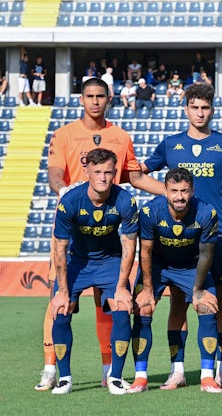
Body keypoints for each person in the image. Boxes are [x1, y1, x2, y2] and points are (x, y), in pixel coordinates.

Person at [35, 77, 164, 393]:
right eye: (89, 96)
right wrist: (62, 188)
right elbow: (54, 172)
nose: (95, 101)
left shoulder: (120, 136)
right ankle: (51, 367)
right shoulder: (64, 134)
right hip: (73, 231)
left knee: (108, 306)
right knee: (59, 302)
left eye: (100, 96)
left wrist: (172, 193)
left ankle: (110, 369)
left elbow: (133, 176)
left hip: (108, 236)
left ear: (110, 99)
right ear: (81, 99)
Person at [142, 83, 222, 391]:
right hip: (179, 239)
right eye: (195, 107)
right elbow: (139, 174)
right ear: (186, 109)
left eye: (205, 108)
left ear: (212, 110)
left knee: (219, 300)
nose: (200, 113)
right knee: (178, 302)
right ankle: (177, 370)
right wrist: (166, 194)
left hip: (217, 236)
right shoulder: (170, 144)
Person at [50, 148, 139, 395]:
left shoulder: (125, 201)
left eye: (108, 172)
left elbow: (129, 245)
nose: (103, 177)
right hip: (77, 262)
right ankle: (64, 377)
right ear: (87, 170)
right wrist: (63, 291)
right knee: (61, 309)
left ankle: (116, 377)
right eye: (97, 171)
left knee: (122, 308)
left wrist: (121, 287)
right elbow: (60, 248)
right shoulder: (70, 201)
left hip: (110, 262)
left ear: (115, 173)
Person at [129, 168, 222, 394]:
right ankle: (141, 377)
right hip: (158, 265)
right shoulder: (150, 211)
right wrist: (148, 288)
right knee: (144, 308)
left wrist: (198, 289)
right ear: (165, 191)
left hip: (191, 266)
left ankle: (207, 376)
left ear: (192, 191)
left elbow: (207, 254)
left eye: (184, 191)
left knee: (206, 307)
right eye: (174, 191)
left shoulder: (206, 212)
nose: (179, 196)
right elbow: (146, 252)